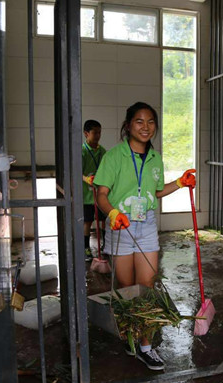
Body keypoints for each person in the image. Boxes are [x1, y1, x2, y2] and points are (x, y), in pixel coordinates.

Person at [93, 102, 195, 371]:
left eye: (150, 122)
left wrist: (180, 183)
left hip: (146, 224)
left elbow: (157, 192)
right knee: (127, 290)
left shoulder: (155, 158)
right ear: (128, 125)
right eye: (139, 121)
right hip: (119, 225)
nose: (145, 127)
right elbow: (101, 194)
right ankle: (131, 336)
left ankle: (146, 346)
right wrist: (112, 213)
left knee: (147, 290)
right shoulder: (114, 156)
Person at [82, 119, 107, 261]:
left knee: (103, 219)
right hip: (87, 194)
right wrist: (86, 179)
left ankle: (104, 244)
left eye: (99, 132)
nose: (98, 135)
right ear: (86, 133)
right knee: (87, 221)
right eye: (94, 133)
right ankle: (86, 248)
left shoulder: (102, 151)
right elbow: (77, 172)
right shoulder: (83, 151)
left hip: (100, 193)